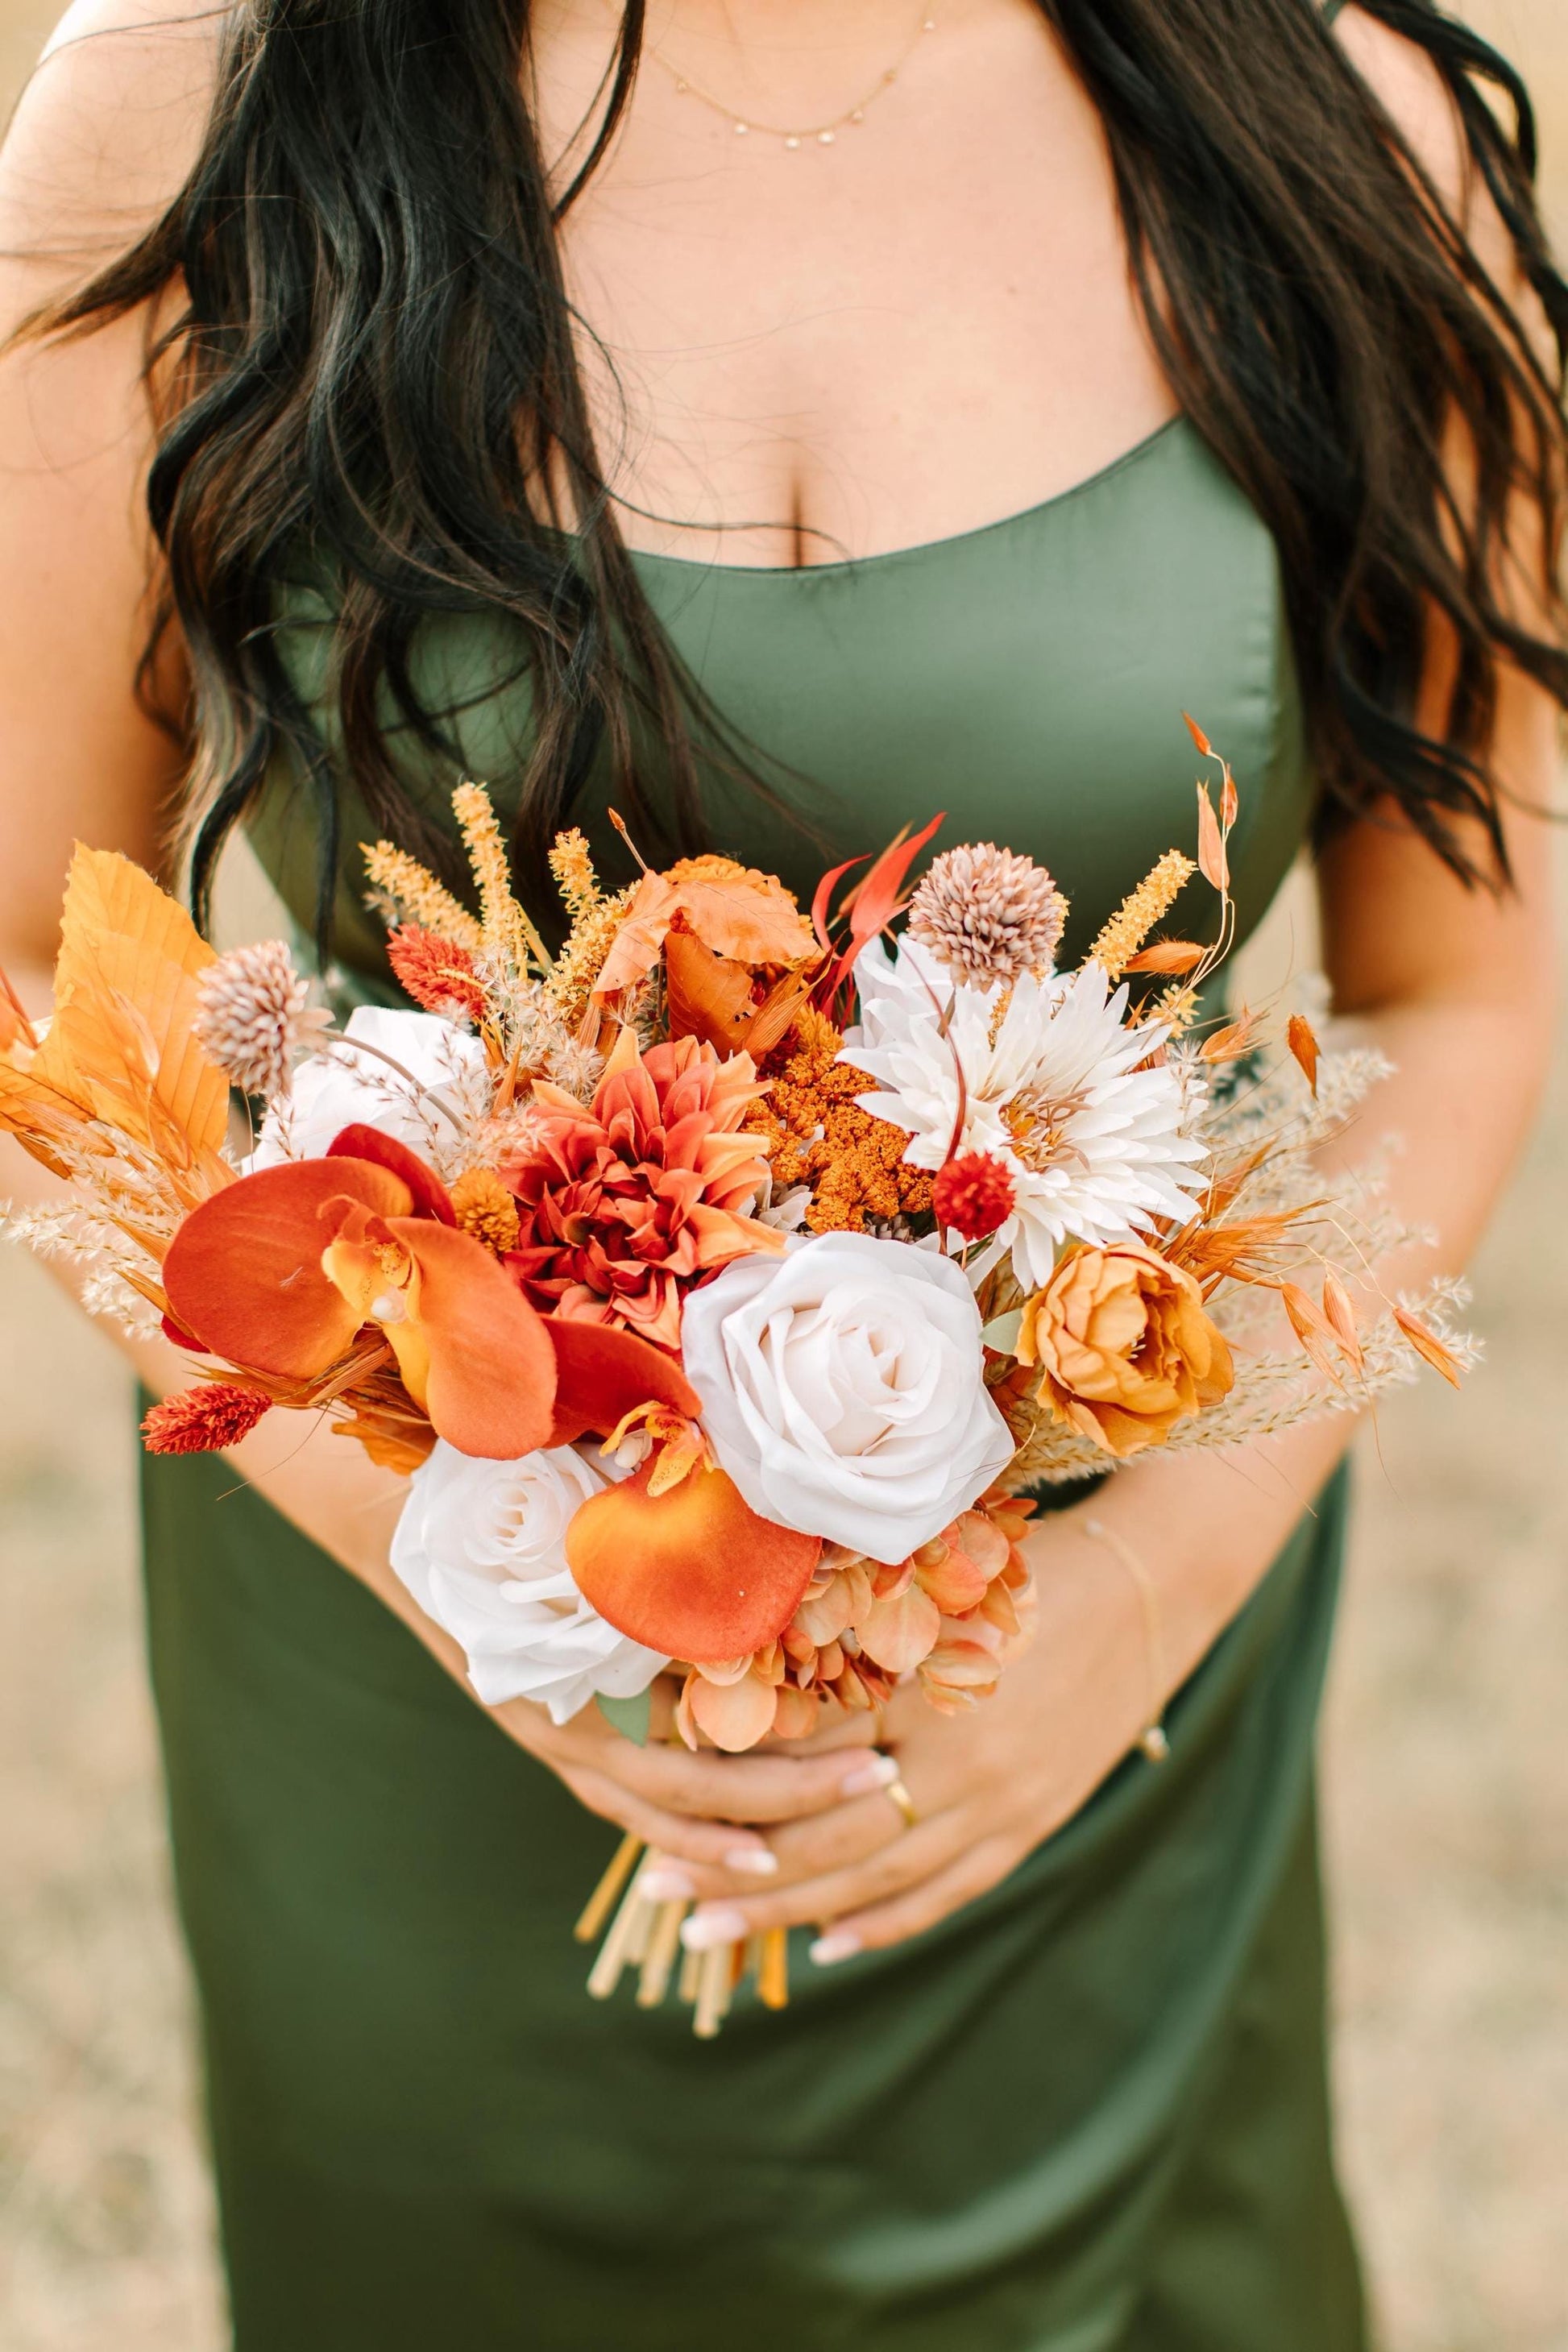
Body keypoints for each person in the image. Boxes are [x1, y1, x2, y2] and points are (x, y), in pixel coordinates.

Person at [1, 2, 1563, 2345]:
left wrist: (1136, 1603)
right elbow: (32, 963)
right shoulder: (197, 97)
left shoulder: (1330, 121)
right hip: (435, 1696)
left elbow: (1461, 990)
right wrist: (478, 1579)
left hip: (1073, 1699)